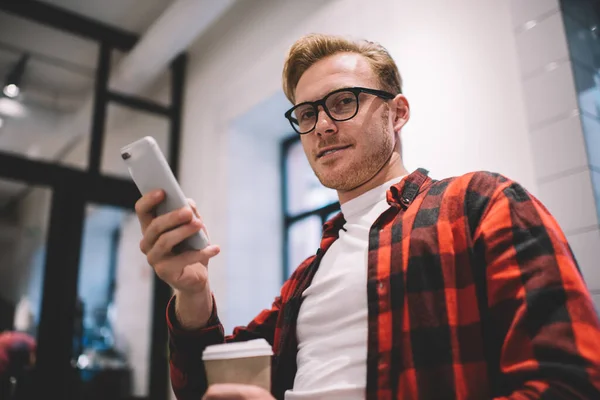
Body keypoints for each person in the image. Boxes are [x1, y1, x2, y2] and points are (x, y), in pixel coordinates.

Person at [134, 33, 600, 400]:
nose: (322, 127)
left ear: (397, 114)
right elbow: (203, 387)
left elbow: (568, 384)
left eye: (343, 102)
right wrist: (192, 294)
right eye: (306, 113)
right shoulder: (309, 275)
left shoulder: (481, 204)